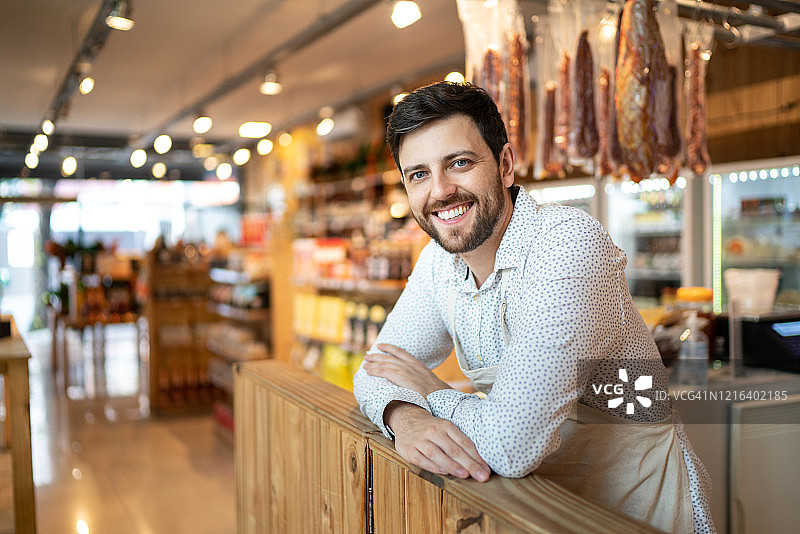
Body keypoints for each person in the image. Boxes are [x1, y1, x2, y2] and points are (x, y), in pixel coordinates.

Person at [352, 81, 715, 534]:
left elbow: (509, 445)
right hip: (543, 505)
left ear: (504, 165)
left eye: (459, 163)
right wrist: (402, 417)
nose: (440, 191)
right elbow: (373, 369)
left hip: (638, 503)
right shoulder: (438, 263)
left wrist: (430, 388)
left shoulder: (566, 245)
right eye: (419, 175)